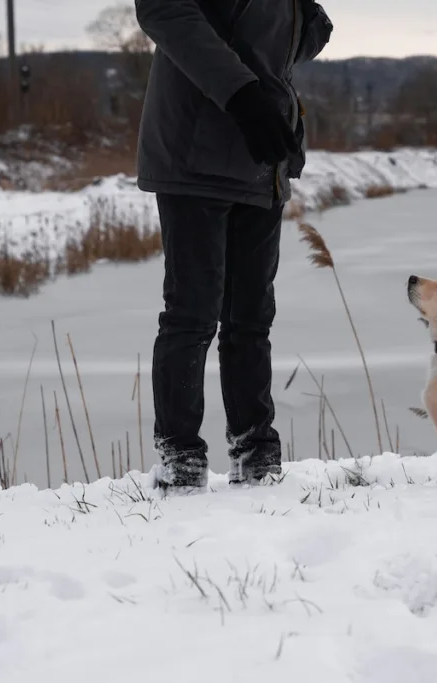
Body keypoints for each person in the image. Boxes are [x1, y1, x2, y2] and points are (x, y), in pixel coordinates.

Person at [134, 0, 333, 491]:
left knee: (251, 318)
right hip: (196, 151)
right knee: (192, 313)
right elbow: (163, 10)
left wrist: (312, 19)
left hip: (263, 155)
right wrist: (243, 95)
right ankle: (181, 460)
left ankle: (256, 456)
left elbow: (279, 43)